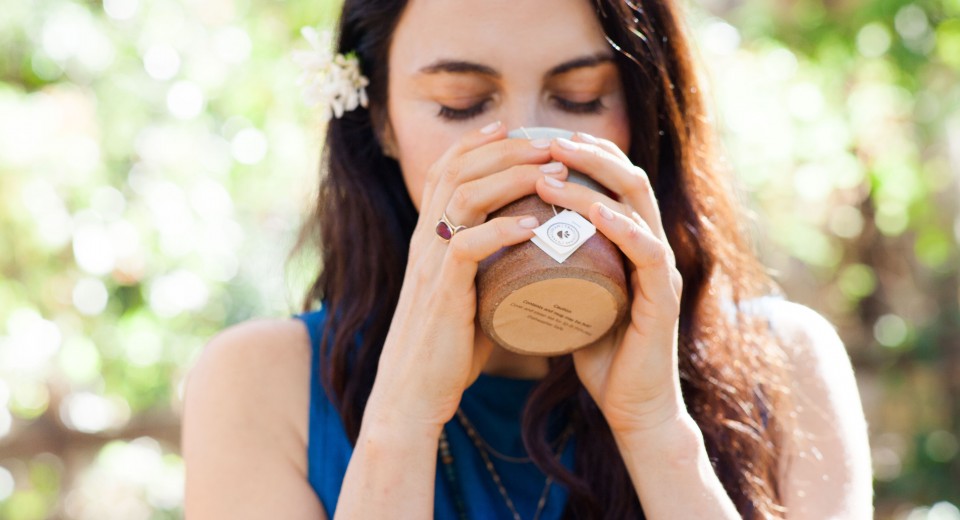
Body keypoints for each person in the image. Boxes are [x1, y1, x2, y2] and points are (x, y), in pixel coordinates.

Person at [181, 0, 874, 518]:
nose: (528, 145)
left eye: (581, 98)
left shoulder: (784, 365)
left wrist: (656, 429)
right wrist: (402, 419)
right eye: (461, 104)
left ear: (643, 110)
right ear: (383, 122)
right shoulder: (261, 386)